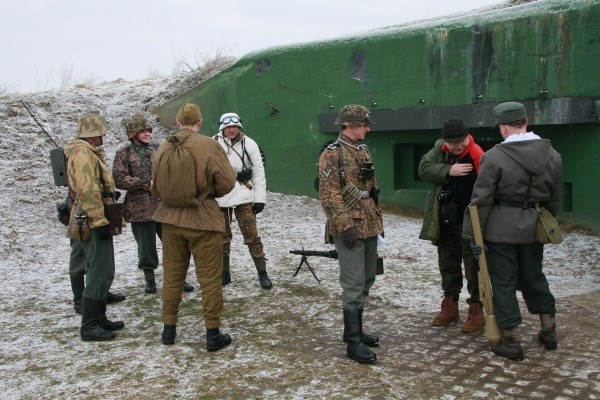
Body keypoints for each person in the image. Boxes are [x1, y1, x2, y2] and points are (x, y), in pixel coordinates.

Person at [463, 102, 562, 361]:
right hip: (534, 225)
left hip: (500, 230)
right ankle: (549, 330)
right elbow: (555, 198)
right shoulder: (553, 155)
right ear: (525, 122)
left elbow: (481, 200)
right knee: (534, 275)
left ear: (504, 127)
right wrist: (542, 221)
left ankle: (511, 340)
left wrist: (474, 234)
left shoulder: (494, 156)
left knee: (503, 281)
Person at [151, 103, 236, 352]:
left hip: (170, 220)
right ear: (199, 123)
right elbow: (228, 183)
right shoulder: (209, 145)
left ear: (178, 122)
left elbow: (155, 185)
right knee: (209, 279)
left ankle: (168, 330)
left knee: (172, 276)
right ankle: (212, 334)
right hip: (203, 220)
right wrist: (207, 193)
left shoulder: (164, 147)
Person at [318, 104, 383, 364]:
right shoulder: (331, 154)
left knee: (368, 277)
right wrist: (344, 225)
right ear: (350, 125)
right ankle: (353, 342)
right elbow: (329, 194)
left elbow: (370, 187)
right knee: (353, 283)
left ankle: (353, 331)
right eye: (364, 124)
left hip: (369, 223)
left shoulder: (362, 149)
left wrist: (377, 220)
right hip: (349, 227)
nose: (368, 128)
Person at [112, 113, 194, 294]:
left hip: (163, 206)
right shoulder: (124, 153)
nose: (147, 134)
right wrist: (142, 184)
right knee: (146, 248)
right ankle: (150, 279)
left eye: (148, 130)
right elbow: (118, 178)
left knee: (173, 244)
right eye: (142, 131)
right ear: (133, 134)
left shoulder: (158, 148)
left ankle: (178, 278)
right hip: (139, 209)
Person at [418, 118, 485, 333]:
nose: (459, 146)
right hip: (446, 219)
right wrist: (449, 170)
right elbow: (423, 169)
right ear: (445, 141)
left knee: (473, 266)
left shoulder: (477, 154)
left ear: (468, 137)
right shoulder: (440, 150)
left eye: (462, 141)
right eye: (453, 143)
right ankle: (450, 305)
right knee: (447, 263)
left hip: (470, 220)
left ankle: (477, 308)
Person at [64, 112, 125, 341]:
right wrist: (99, 221)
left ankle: (99, 318)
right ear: (92, 134)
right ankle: (89, 325)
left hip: (93, 214)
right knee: (100, 270)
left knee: (103, 268)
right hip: (92, 217)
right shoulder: (82, 153)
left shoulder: (87, 152)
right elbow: (88, 189)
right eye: (101, 132)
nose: (104, 135)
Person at [212, 112, 272, 289]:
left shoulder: (249, 143)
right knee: (221, 238)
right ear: (222, 128)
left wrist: (259, 198)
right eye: (228, 127)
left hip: (244, 196)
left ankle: (263, 273)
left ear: (239, 127)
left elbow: (259, 173)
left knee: (252, 236)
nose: (231, 130)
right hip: (220, 197)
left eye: (234, 127)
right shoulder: (212, 144)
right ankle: (224, 273)